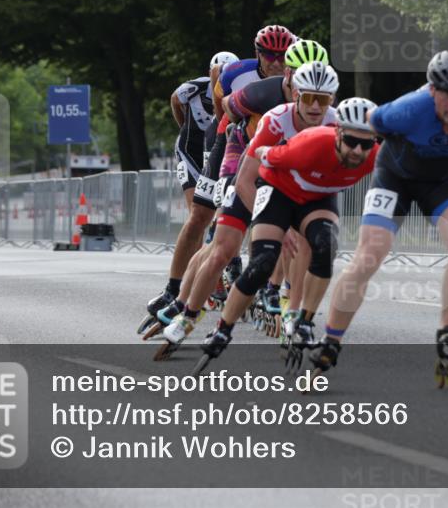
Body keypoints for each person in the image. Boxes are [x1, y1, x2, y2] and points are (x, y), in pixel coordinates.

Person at [312, 50, 448, 391]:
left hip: (444, 181)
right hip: (395, 178)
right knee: (371, 252)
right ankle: (331, 339)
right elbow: (371, 125)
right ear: (432, 90)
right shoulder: (405, 111)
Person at [152, 56, 340, 360]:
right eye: (308, 99)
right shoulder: (275, 115)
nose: (316, 108)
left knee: (305, 238)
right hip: (243, 165)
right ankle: (187, 313)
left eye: (323, 100)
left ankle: (292, 307)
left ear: (332, 99)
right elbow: (244, 180)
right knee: (223, 246)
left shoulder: (335, 123)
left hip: (286, 179)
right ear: (295, 94)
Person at [193, 97, 380, 374]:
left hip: (317, 197)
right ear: (337, 133)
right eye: (351, 141)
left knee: (325, 245)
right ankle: (223, 328)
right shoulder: (311, 143)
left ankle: (304, 321)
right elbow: (261, 159)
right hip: (279, 187)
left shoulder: (377, 157)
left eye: (366, 144)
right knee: (263, 263)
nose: (356, 150)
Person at [137, 51, 237, 336]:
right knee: (198, 214)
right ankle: (176, 288)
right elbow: (174, 100)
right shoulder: (194, 87)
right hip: (190, 150)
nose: (223, 81)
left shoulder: (241, 90)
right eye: (218, 74)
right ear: (211, 72)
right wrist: (183, 128)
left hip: (216, 150)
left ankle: (216, 271)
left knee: (219, 215)